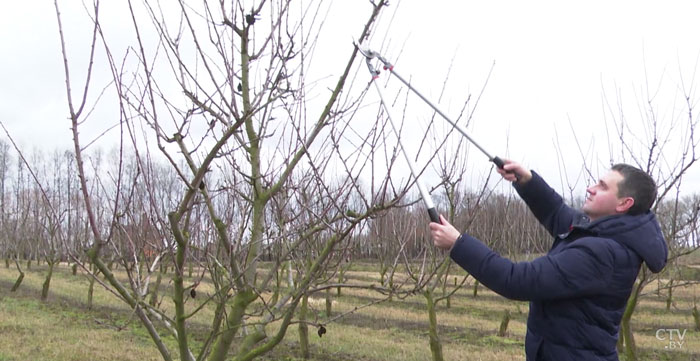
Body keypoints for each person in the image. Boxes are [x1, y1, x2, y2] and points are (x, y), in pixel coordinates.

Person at [430, 160, 668, 361]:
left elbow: (516, 280)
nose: (590, 188)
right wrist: (527, 181)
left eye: (602, 187)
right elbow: (557, 214)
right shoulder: (601, 230)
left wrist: (458, 244)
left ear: (623, 204)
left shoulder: (603, 254)